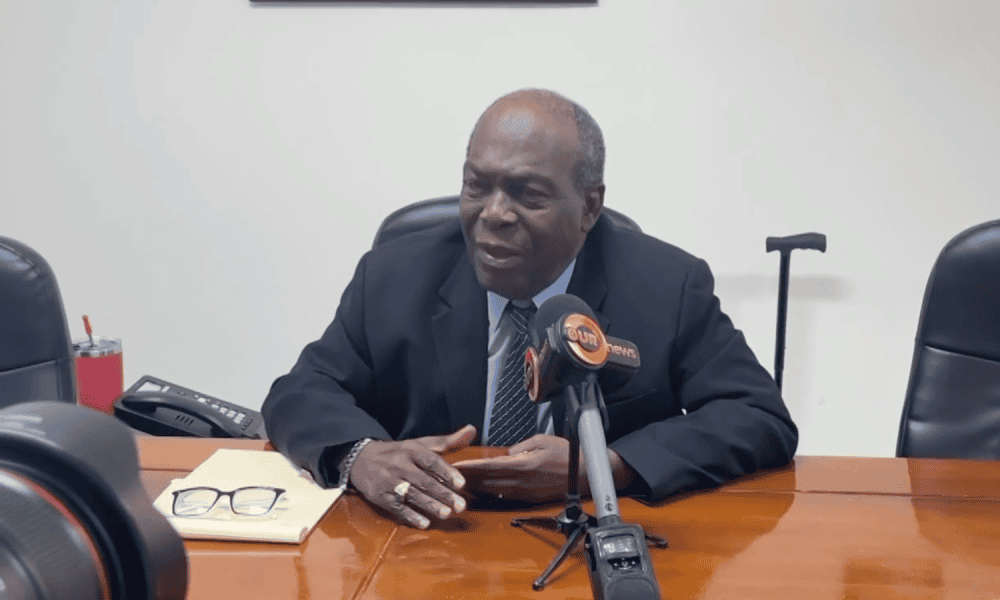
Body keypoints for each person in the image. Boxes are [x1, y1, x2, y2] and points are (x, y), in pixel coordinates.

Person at [262, 89, 797, 529]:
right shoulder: (394, 276)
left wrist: (602, 468)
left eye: (528, 194)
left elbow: (757, 416)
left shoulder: (665, 286)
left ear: (589, 207)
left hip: (585, 535)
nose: (494, 214)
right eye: (477, 186)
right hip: (434, 535)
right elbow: (300, 392)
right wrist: (360, 455)